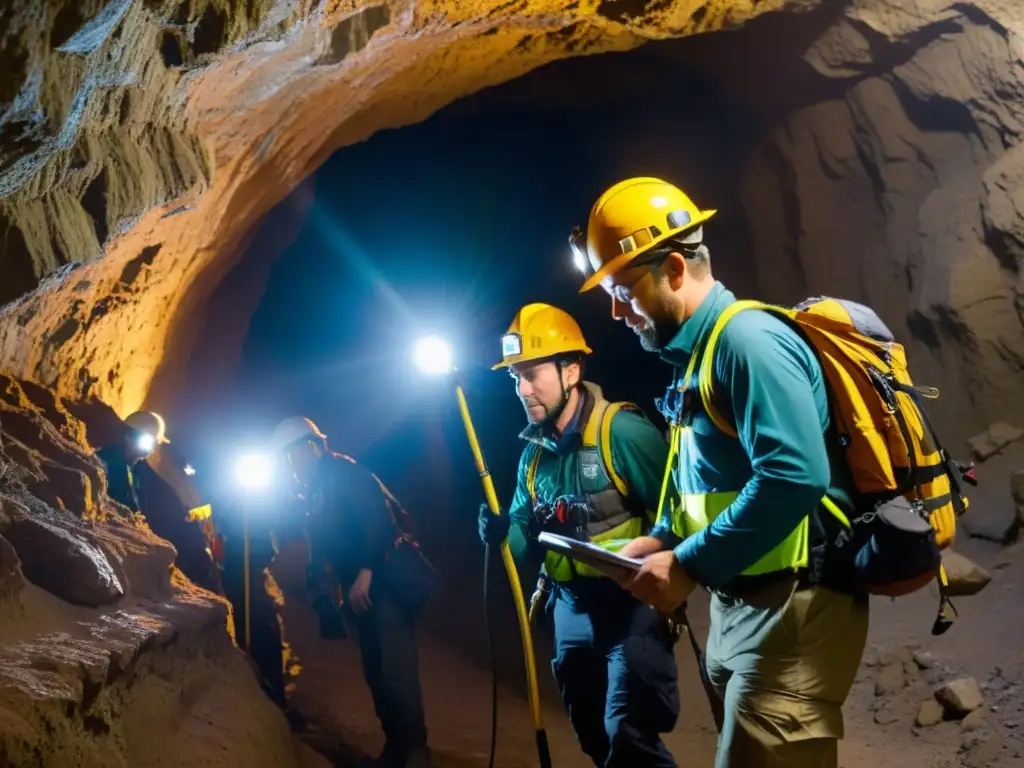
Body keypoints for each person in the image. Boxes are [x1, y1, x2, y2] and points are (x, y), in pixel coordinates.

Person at [571, 176, 870, 768]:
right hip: (745, 606)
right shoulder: (698, 356)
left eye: (623, 290)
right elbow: (708, 481)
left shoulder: (747, 342)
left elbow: (793, 475)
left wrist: (687, 564)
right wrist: (663, 538)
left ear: (675, 269)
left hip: (795, 607)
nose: (615, 311)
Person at [478, 303, 680, 768]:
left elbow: (678, 515)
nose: (522, 389)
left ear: (571, 369)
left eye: (532, 374)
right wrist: (501, 533)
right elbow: (521, 549)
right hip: (568, 605)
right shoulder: (532, 458)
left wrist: (667, 572)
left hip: (629, 603)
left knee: (629, 733)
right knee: (592, 734)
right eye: (515, 378)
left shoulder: (621, 433)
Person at [270, 416, 432, 768]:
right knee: (376, 672)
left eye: (292, 455)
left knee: (395, 672)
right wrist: (319, 585)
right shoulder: (315, 489)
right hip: (363, 593)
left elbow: (378, 522)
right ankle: (395, 750)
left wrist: (365, 573)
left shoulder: (347, 474)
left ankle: (417, 755)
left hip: (384, 585)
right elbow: (319, 541)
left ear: (313, 447)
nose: (290, 464)